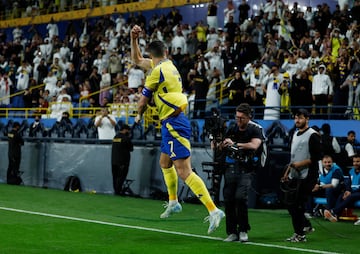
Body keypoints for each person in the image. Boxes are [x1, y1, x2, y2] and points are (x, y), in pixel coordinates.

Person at [130, 24, 224, 234]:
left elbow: (143, 100)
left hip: (174, 123)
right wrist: (133, 39)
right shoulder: (168, 66)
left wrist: (137, 115)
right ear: (166, 52)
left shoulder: (156, 72)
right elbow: (137, 61)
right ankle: (173, 201)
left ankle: (213, 210)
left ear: (151, 54)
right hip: (171, 122)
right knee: (165, 162)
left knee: (184, 171)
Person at [220, 103, 264, 242]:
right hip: (231, 167)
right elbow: (221, 146)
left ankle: (243, 229)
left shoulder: (255, 129)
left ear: (249, 117)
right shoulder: (232, 128)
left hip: (247, 168)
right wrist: (220, 143)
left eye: (242, 118)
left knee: (240, 198)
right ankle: (232, 232)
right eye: (237, 117)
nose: (238, 120)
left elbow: (255, 145)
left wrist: (235, 144)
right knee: (228, 199)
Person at [281, 108, 321, 242]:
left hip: (307, 175)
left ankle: (300, 234)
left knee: (296, 204)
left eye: (300, 118)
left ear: (307, 119)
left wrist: (300, 165)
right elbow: (293, 158)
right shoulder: (295, 133)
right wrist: (287, 173)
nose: (297, 120)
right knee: (289, 203)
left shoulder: (313, 135)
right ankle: (305, 226)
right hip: (295, 174)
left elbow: (316, 158)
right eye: (295, 118)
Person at [324, 154, 360, 222]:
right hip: (353, 192)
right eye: (354, 162)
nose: (355, 163)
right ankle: (336, 216)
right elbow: (348, 183)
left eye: (358, 161)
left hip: (358, 192)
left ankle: (333, 211)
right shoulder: (351, 171)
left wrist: (350, 192)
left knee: (350, 196)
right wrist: (347, 191)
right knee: (341, 196)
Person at [111, 124, 134, 196]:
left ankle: (116, 191)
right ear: (125, 130)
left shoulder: (115, 137)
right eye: (128, 130)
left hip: (114, 161)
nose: (129, 132)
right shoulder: (126, 138)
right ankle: (118, 191)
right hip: (123, 161)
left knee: (115, 177)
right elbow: (131, 149)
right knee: (121, 177)